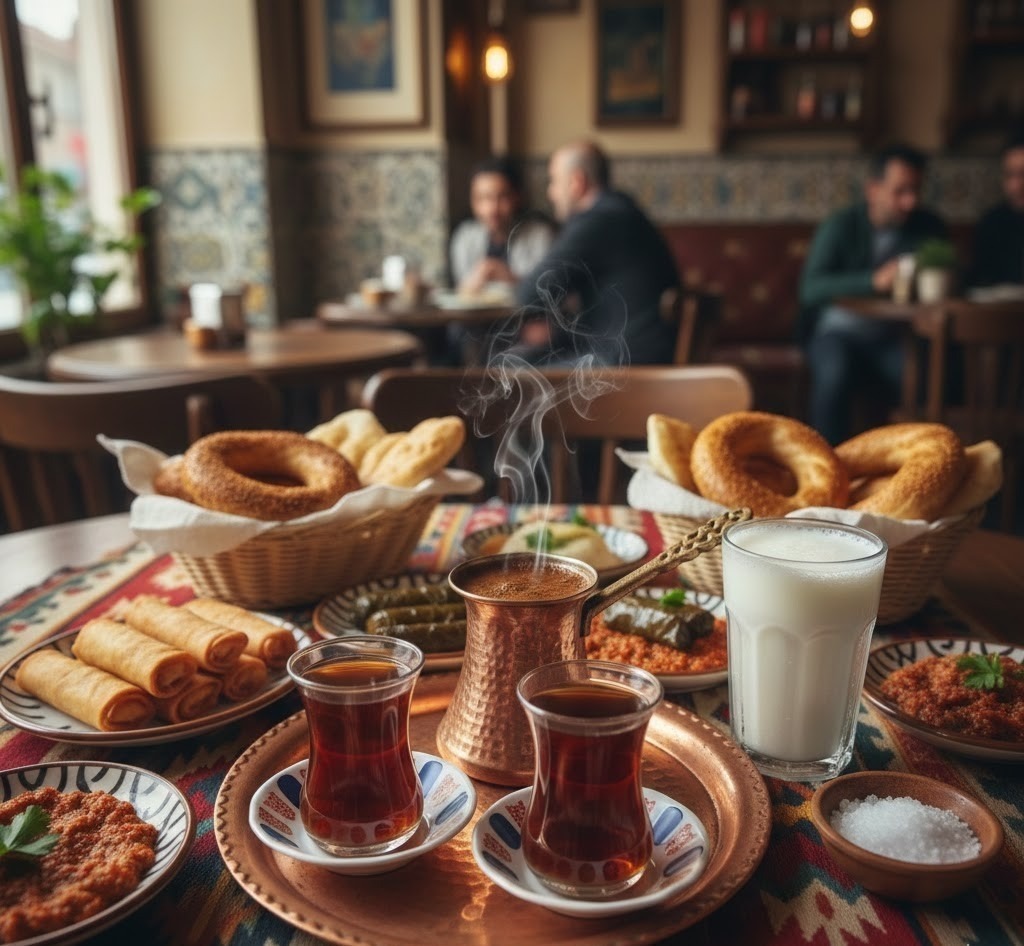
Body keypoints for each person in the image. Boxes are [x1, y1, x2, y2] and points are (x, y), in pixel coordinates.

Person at [798, 143, 948, 444]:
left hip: (897, 335)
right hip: (837, 332)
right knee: (834, 375)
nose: (910, 202)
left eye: (916, 191)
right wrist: (873, 281)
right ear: (873, 190)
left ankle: (916, 463)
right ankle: (825, 462)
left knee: (925, 380)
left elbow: (950, 275)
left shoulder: (929, 227)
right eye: (900, 191)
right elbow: (810, 289)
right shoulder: (841, 225)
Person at [510, 140, 681, 367]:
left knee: (507, 368)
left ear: (576, 182)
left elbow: (530, 293)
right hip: (632, 351)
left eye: (554, 181)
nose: (551, 193)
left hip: (626, 361)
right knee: (518, 360)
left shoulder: (599, 220)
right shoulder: (620, 210)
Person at [448, 155, 555, 297]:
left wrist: (507, 276)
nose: (492, 209)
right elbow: (462, 292)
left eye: (502, 197)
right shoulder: (465, 237)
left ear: (517, 197)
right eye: (483, 198)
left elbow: (549, 292)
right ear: (473, 201)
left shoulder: (541, 236)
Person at [967, 130, 1024, 289]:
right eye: (1009, 175)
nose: (1016, 186)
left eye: (1023, 174)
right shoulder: (991, 223)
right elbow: (979, 281)